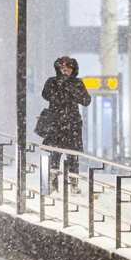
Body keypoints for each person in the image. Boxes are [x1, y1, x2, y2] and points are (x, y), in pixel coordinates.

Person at [41, 56, 91, 193]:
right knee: (54, 154)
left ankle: (73, 184)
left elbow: (86, 100)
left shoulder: (77, 83)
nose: (65, 71)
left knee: (73, 156)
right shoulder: (52, 82)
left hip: (72, 123)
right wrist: (59, 86)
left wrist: (71, 88)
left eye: (68, 68)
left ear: (73, 70)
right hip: (56, 123)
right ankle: (52, 183)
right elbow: (45, 95)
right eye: (62, 68)